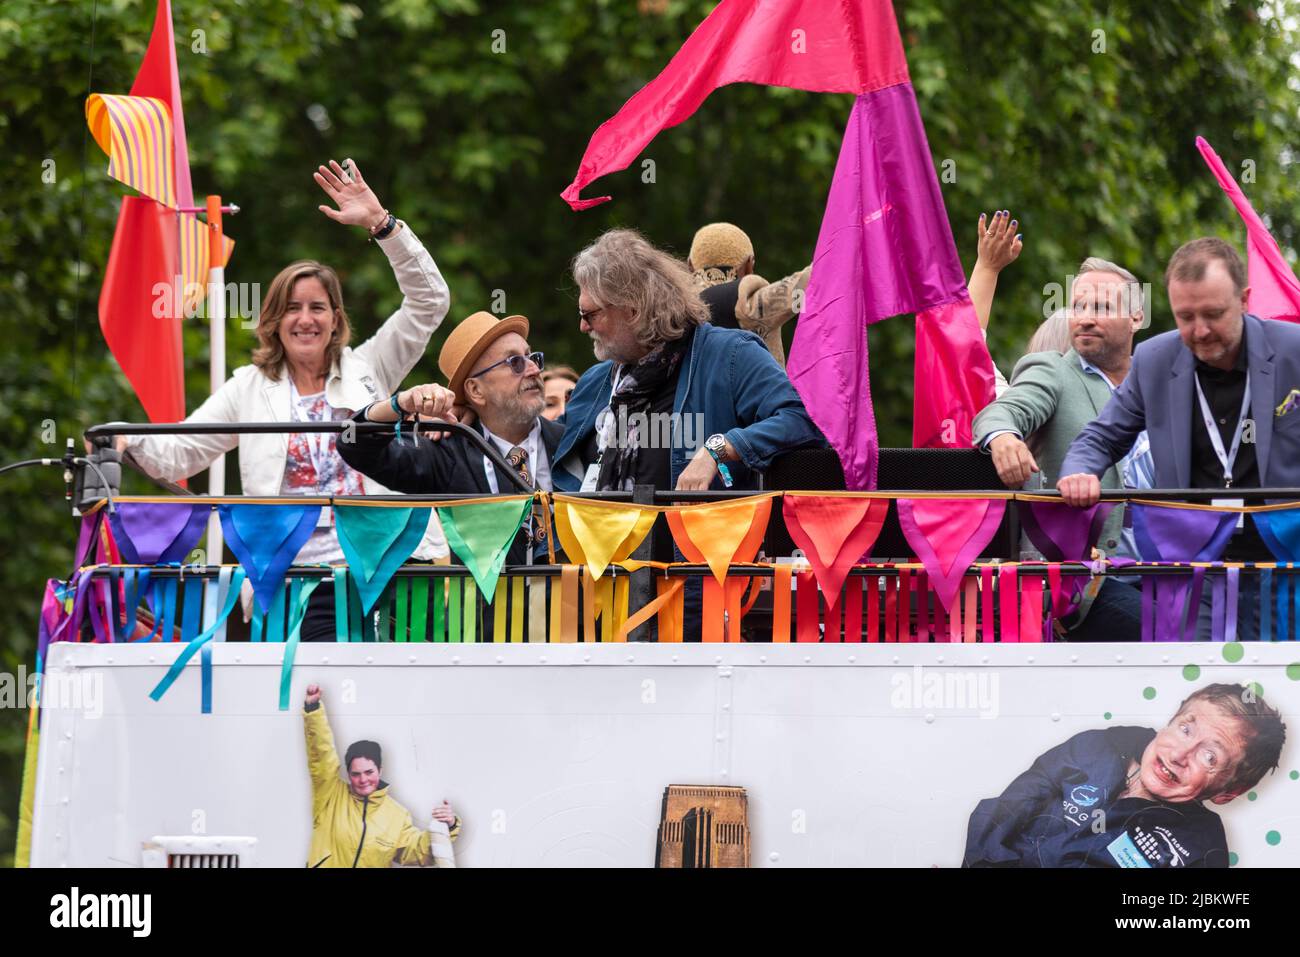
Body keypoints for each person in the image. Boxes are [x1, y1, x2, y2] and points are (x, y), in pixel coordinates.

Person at [116, 159, 451, 641]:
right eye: (292, 308)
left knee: (392, 703)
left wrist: (383, 225)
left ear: (336, 318)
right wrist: (126, 442)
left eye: (318, 307)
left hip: (387, 571)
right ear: (273, 320)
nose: (305, 319)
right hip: (293, 582)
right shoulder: (248, 387)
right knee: (306, 705)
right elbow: (180, 450)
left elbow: (429, 302)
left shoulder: (369, 367)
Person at [1058, 238, 1300, 639]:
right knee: (1197, 686)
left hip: (1287, 561)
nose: (1200, 331)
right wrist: (1081, 471)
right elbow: (1100, 437)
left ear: (1244, 299)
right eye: (1185, 317)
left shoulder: (1294, 350)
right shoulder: (1154, 360)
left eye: (1213, 314)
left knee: (1283, 693)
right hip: (1194, 565)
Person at [556, 228, 823, 496]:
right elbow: (544, 447)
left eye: (588, 314)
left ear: (632, 311)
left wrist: (718, 449)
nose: (582, 326)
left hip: (697, 537)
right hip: (600, 537)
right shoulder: (594, 382)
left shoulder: (731, 355)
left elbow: (800, 420)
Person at [972, 257, 1154, 639]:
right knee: (1167, 630)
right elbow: (1001, 412)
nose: (1085, 318)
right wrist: (1003, 437)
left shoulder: (1161, 380)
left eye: (1102, 307)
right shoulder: (1053, 370)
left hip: (1169, 570)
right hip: (1083, 582)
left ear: (1137, 317)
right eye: (1079, 306)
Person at [963, 683, 1285, 867]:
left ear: (1228, 791)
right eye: (1185, 728)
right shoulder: (1096, 746)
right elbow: (1002, 813)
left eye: (1209, 755)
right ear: (1170, 720)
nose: (1179, 755)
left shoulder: (1201, 852)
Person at [338, 310, 563, 568]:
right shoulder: (447, 452)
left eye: (531, 357)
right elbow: (353, 444)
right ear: (476, 390)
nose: (534, 369)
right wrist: (399, 403)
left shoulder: (572, 441)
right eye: (515, 362)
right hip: (487, 607)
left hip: (572, 604)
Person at [303, 684, 460, 868]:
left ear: (380, 770)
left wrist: (447, 827)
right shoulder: (330, 796)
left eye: (369, 772)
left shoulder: (397, 815)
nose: (363, 780)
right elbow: (321, 754)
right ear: (348, 774)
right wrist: (313, 710)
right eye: (356, 774)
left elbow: (417, 852)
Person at [687, 222, 811, 367]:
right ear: (749, 265)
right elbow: (807, 291)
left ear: (690, 266)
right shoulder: (747, 305)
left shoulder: (671, 308)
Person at [967, 209, 1024, 397]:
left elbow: (965, 355)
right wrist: (987, 267)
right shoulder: (1018, 410)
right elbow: (966, 355)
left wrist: (987, 268)